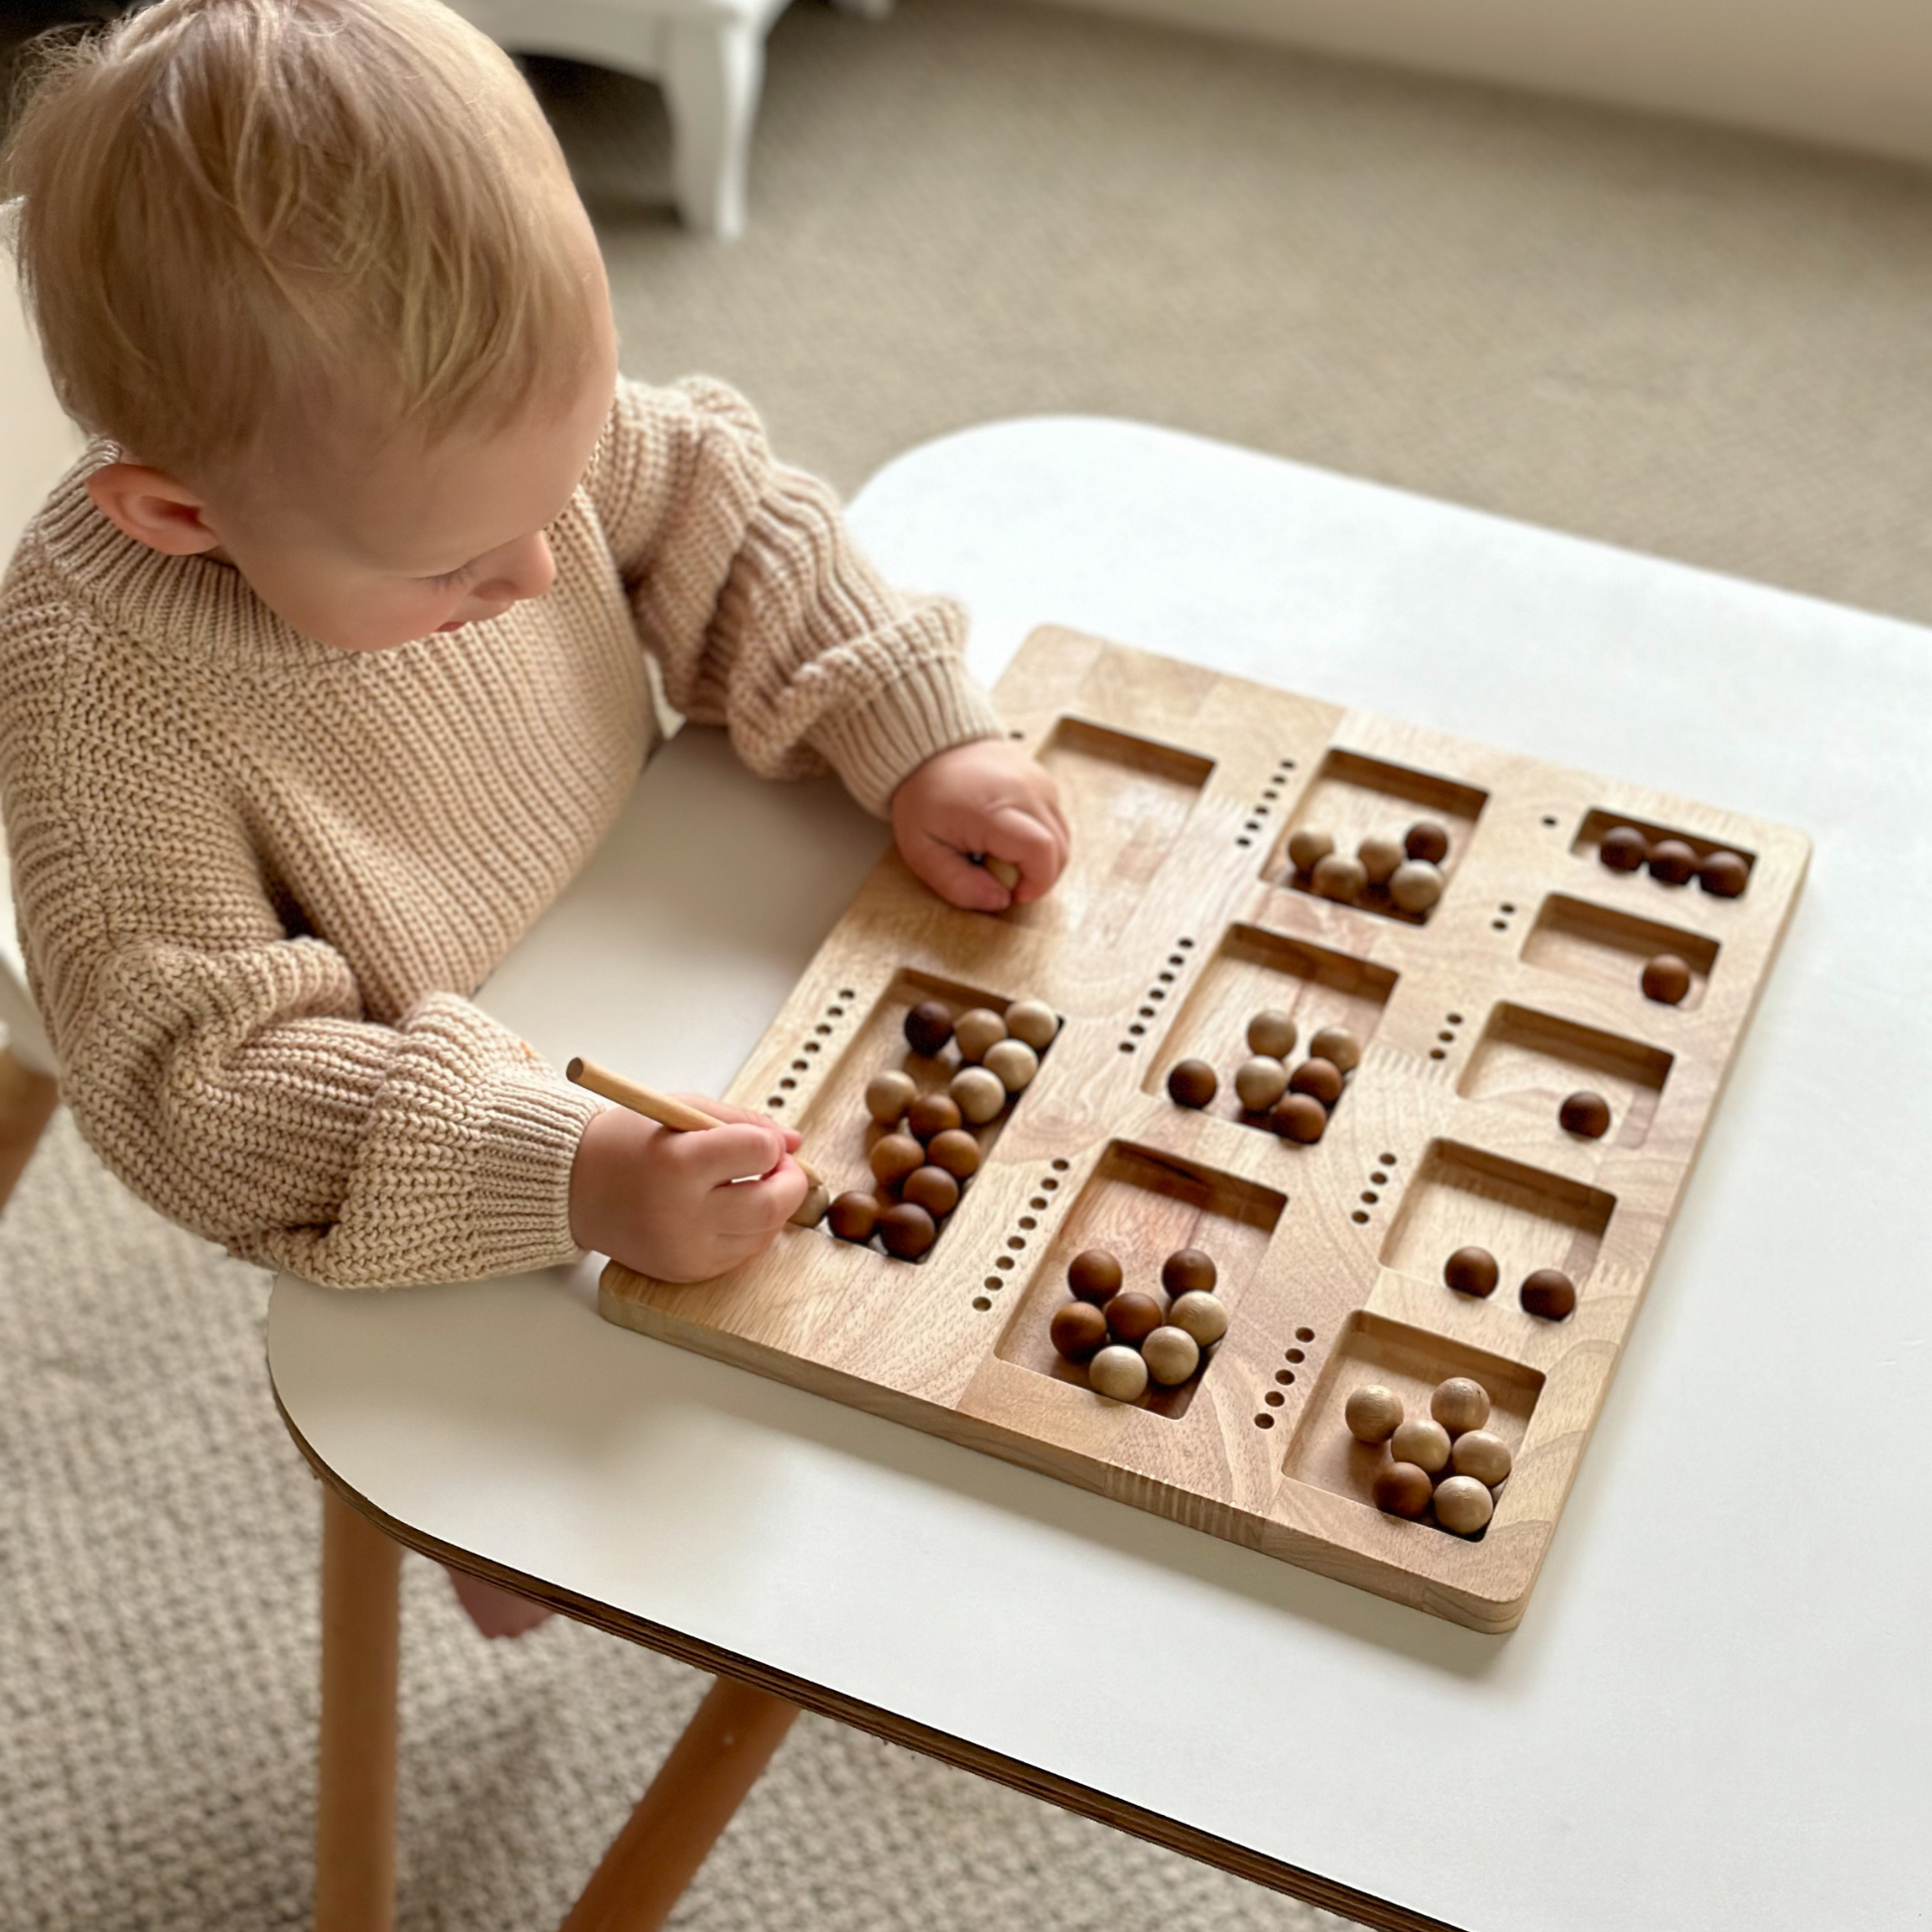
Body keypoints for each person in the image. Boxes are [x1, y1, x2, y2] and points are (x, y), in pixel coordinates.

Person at [0, 0, 1066, 1633]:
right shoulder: (101, 701)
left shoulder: (479, 461)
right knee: (533, 1473)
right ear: (179, 514)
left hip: (635, 905)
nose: (539, 577)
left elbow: (718, 502)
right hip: (435, 1113)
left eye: (553, 486)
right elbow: (200, 1093)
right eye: (451, 567)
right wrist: (560, 1171)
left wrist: (909, 731)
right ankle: (487, 1539)